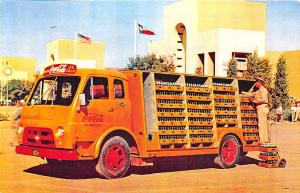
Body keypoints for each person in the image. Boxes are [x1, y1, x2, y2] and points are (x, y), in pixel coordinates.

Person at [243, 77, 270, 143]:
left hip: (262, 107)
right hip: (261, 107)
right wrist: (243, 93)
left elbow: (263, 99)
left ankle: (263, 140)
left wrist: (254, 100)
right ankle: (265, 139)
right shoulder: (258, 90)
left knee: (261, 124)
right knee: (263, 124)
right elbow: (252, 94)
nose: (255, 84)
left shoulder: (263, 90)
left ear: (260, 83)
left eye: (256, 82)